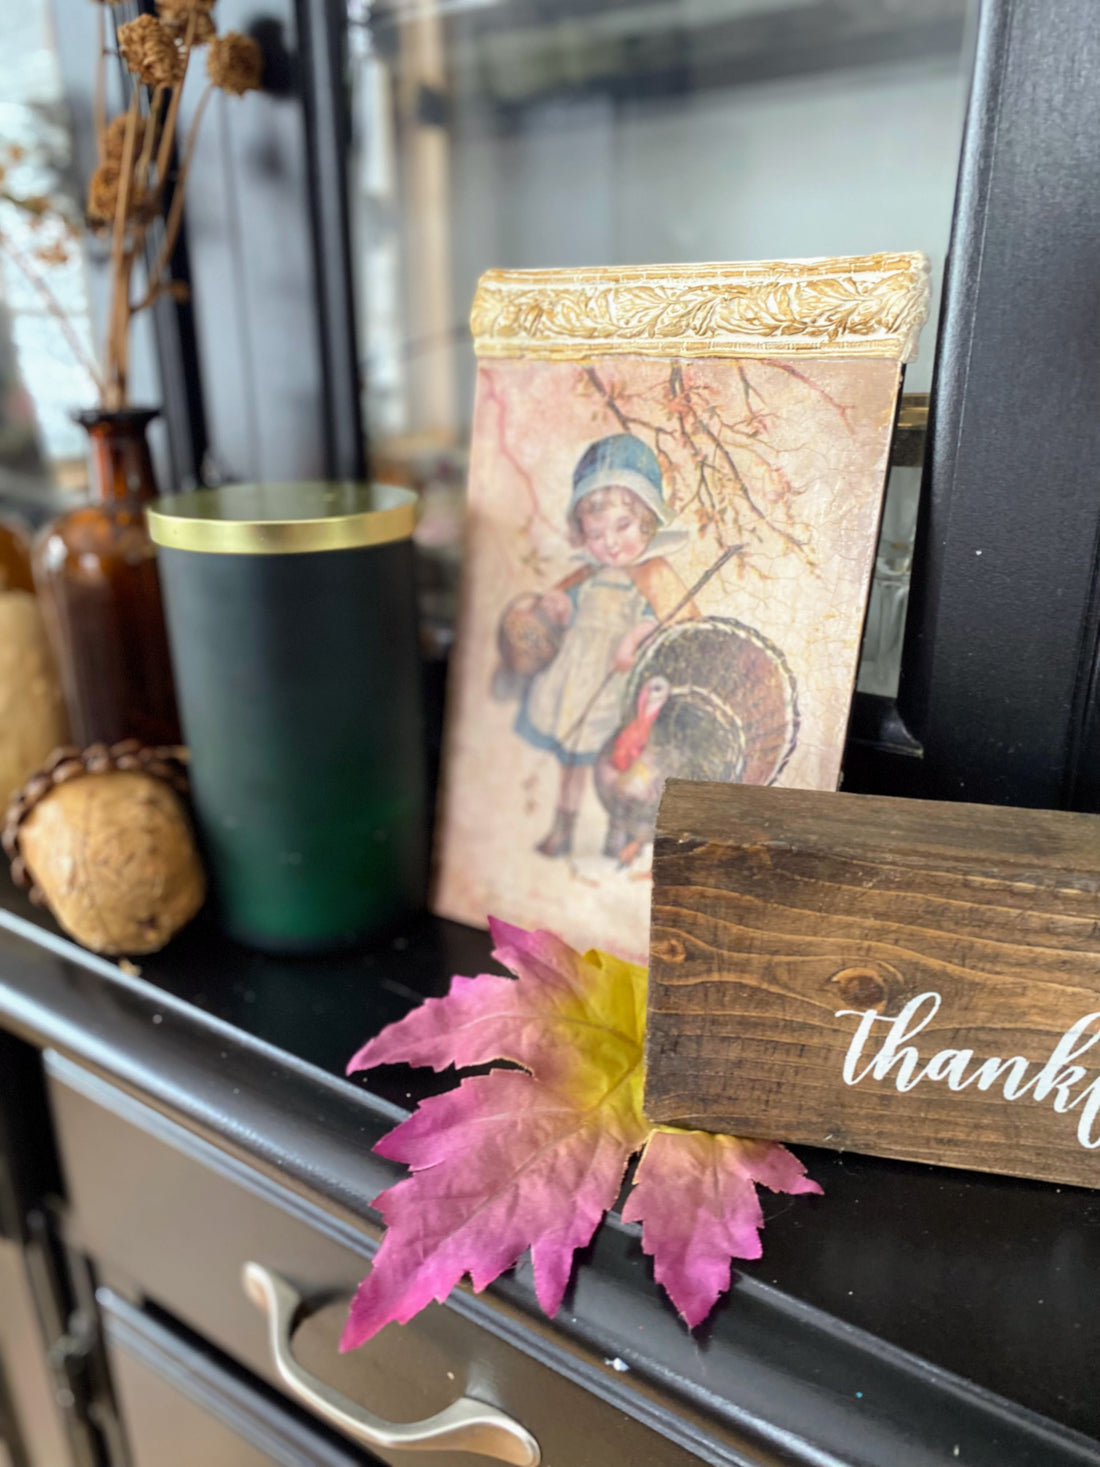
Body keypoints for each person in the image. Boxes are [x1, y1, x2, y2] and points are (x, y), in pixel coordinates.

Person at [503, 432, 697, 859]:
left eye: (623, 526)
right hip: (575, 681)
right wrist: (559, 606)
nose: (609, 543)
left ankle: (617, 828)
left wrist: (636, 635)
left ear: (647, 521)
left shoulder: (651, 575)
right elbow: (567, 609)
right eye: (595, 532)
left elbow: (667, 621)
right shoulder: (587, 574)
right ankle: (563, 827)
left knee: (617, 761)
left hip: (619, 684)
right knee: (571, 759)